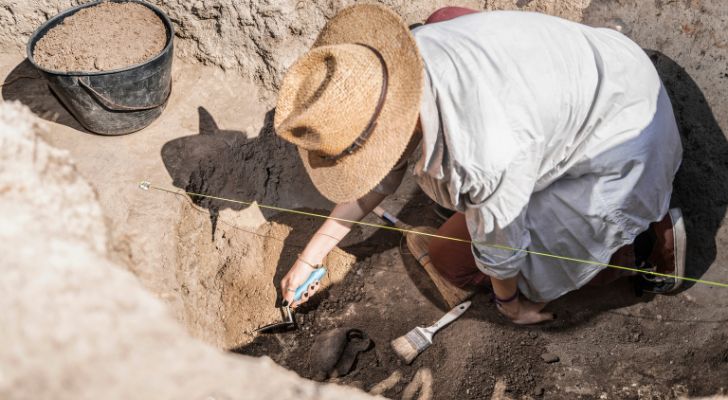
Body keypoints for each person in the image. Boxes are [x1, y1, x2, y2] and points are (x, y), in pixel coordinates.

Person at [273, 4, 685, 325]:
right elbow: (380, 176)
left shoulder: (481, 157)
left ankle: (644, 245)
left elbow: (501, 251)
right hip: (605, 68)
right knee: (446, 18)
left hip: (626, 148)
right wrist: (312, 257)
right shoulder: (412, 53)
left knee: (452, 260)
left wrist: (512, 306)